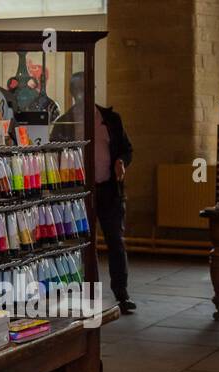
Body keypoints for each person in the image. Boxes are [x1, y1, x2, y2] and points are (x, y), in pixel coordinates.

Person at [63, 72, 135, 313]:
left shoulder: (110, 118)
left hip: (108, 190)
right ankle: (85, 293)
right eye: (78, 89)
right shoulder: (65, 122)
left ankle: (121, 294)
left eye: (87, 88)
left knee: (115, 241)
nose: (83, 93)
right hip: (79, 192)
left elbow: (126, 149)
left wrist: (121, 162)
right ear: (73, 92)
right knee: (83, 243)